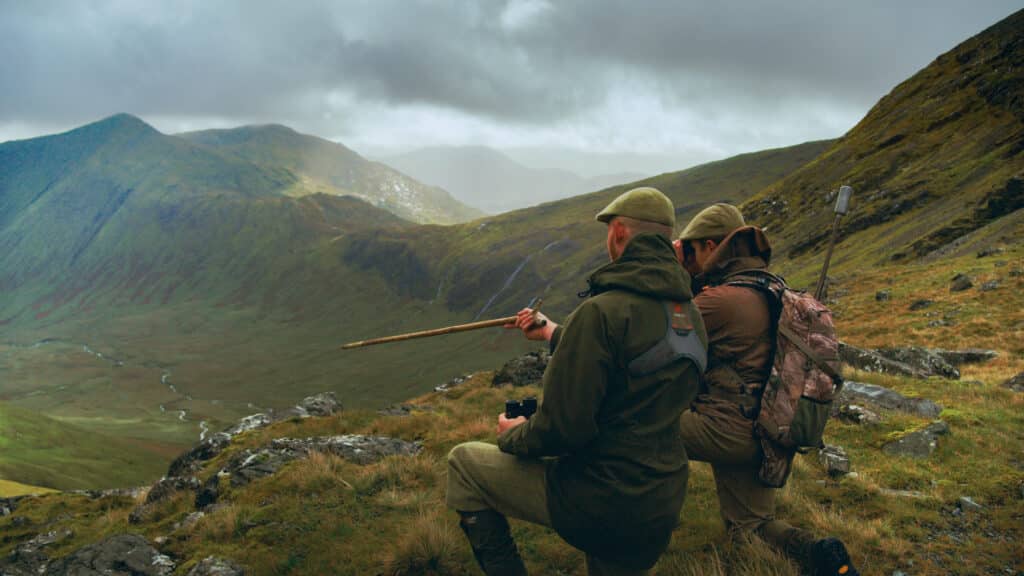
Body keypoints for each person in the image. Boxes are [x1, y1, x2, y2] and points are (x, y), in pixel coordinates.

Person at [446, 187, 708, 575]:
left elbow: (562, 430)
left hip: (602, 499)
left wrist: (513, 435)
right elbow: (635, 360)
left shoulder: (600, 312)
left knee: (464, 463)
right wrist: (553, 332)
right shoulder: (689, 314)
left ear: (619, 232)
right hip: (660, 500)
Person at [674, 203, 858, 576]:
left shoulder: (717, 301)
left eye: (690, 250)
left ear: (710, 246)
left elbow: (646, 337)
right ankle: (821, 555)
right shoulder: (771, 289)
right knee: (750, 528)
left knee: (631, 427)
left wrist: (673, 272)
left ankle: (628, 527)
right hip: (766, 432)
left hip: (723, 430)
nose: (687, 259)